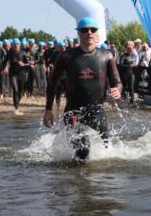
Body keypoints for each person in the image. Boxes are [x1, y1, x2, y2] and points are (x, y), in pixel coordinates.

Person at [43, 17, 122, 161]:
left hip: (97, 112)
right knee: (83, 152)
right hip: (74, 113)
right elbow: (52, 82)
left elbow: (117, 82)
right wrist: (48, 110)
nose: (89, 33)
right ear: (79, 33)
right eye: (85, 30)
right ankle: (77, 182)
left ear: (97, 34)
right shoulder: (66, 56)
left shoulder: (107, 55)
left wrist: (118, 89)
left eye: (93, 30)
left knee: (107, 151)